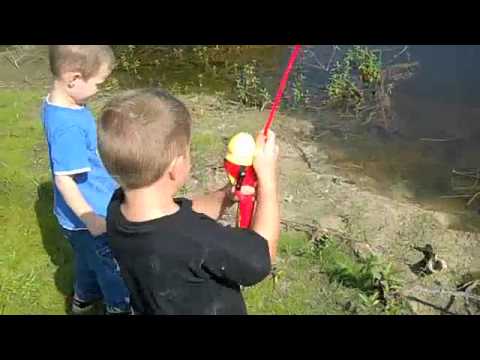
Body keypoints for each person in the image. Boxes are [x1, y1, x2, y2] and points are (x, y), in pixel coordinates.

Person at [98, 88, 280, 314]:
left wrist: (227, 195)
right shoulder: (198, 240)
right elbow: (260, 258)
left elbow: (182, 216)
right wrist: (268, 180)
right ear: (175, 167)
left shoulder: (118, 208)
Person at [41, 45, 130, 315]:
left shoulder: (61, 105)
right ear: (74, 79)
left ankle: (83, 298)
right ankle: (119, 307)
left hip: (73, 219)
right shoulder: (69, 125)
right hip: (90, 216)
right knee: (112, 269)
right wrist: (91, 218)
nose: (99, 89)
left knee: (87, 261)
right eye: (98, 83)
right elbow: (64, 180)